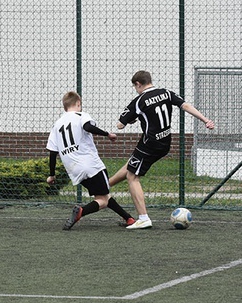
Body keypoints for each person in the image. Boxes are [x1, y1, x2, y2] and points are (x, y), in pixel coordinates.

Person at [109, 70, 215, 229]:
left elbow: (120, 124)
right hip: (165, 142)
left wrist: (132, 119)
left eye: (135, 87)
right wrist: (205, 120)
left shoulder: (139, 100)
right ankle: (106, 185)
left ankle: (143, 218)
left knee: (132, 176)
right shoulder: (166, 93)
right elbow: (185, 105)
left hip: (149, 144)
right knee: (133, 164)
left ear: (138, 84)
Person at [46, 91, 135, 230]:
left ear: (65, 107)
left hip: (73, 169)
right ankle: (81, 212)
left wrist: (51, 175)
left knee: (103, 194)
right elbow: (88, 127)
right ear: (78, 104)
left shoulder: (56, 125)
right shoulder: (81, 115)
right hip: (91, 165)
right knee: (103, 200)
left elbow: (52, 152)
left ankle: (128, 218)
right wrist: (108, 134)